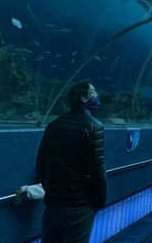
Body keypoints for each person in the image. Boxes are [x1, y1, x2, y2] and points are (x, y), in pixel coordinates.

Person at [36, 80, 106, 243]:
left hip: (53, 204)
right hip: (80, 205)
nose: (97, 95)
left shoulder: (53, 125)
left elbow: (41, 165)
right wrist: (100, 200)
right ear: (83, 98)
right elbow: (97, 170)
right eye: (93, 91)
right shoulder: (94, 126)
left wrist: (51, 193)